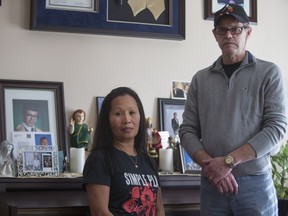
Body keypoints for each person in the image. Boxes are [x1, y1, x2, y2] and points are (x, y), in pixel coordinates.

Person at [179, 4, 287, 216]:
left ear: (248, 32)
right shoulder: (200, 79)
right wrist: (212, 168)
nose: (229, 34)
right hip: (212, 184)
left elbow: (277, 128)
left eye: (236, 28)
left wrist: (228, 162)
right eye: (222, 29)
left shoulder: (269, 73)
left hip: (254, 182)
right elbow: (187, 130)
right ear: (215, 35)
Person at [83, 87, 165, 216]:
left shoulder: (148, 161)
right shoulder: (99, 159)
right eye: (118, 113)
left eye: (132, 112)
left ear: (140, 117)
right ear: (108, 121)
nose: (127, 120)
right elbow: (100, 212)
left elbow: (159, 210)